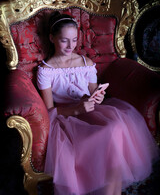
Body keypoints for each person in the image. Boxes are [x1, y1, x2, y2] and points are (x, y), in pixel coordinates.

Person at [37, 11, 159, 195]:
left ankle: (112, 191)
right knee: (108, 133)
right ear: (52, 38)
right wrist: (77, 108)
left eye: (74, 39)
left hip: (93, 110)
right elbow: (49, 111)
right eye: (64, 40)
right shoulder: (46, 71)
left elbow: (95, 93)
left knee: (117, 126)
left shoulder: (86, 63)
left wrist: (98, 97)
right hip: (68, 119)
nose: (71, 46)